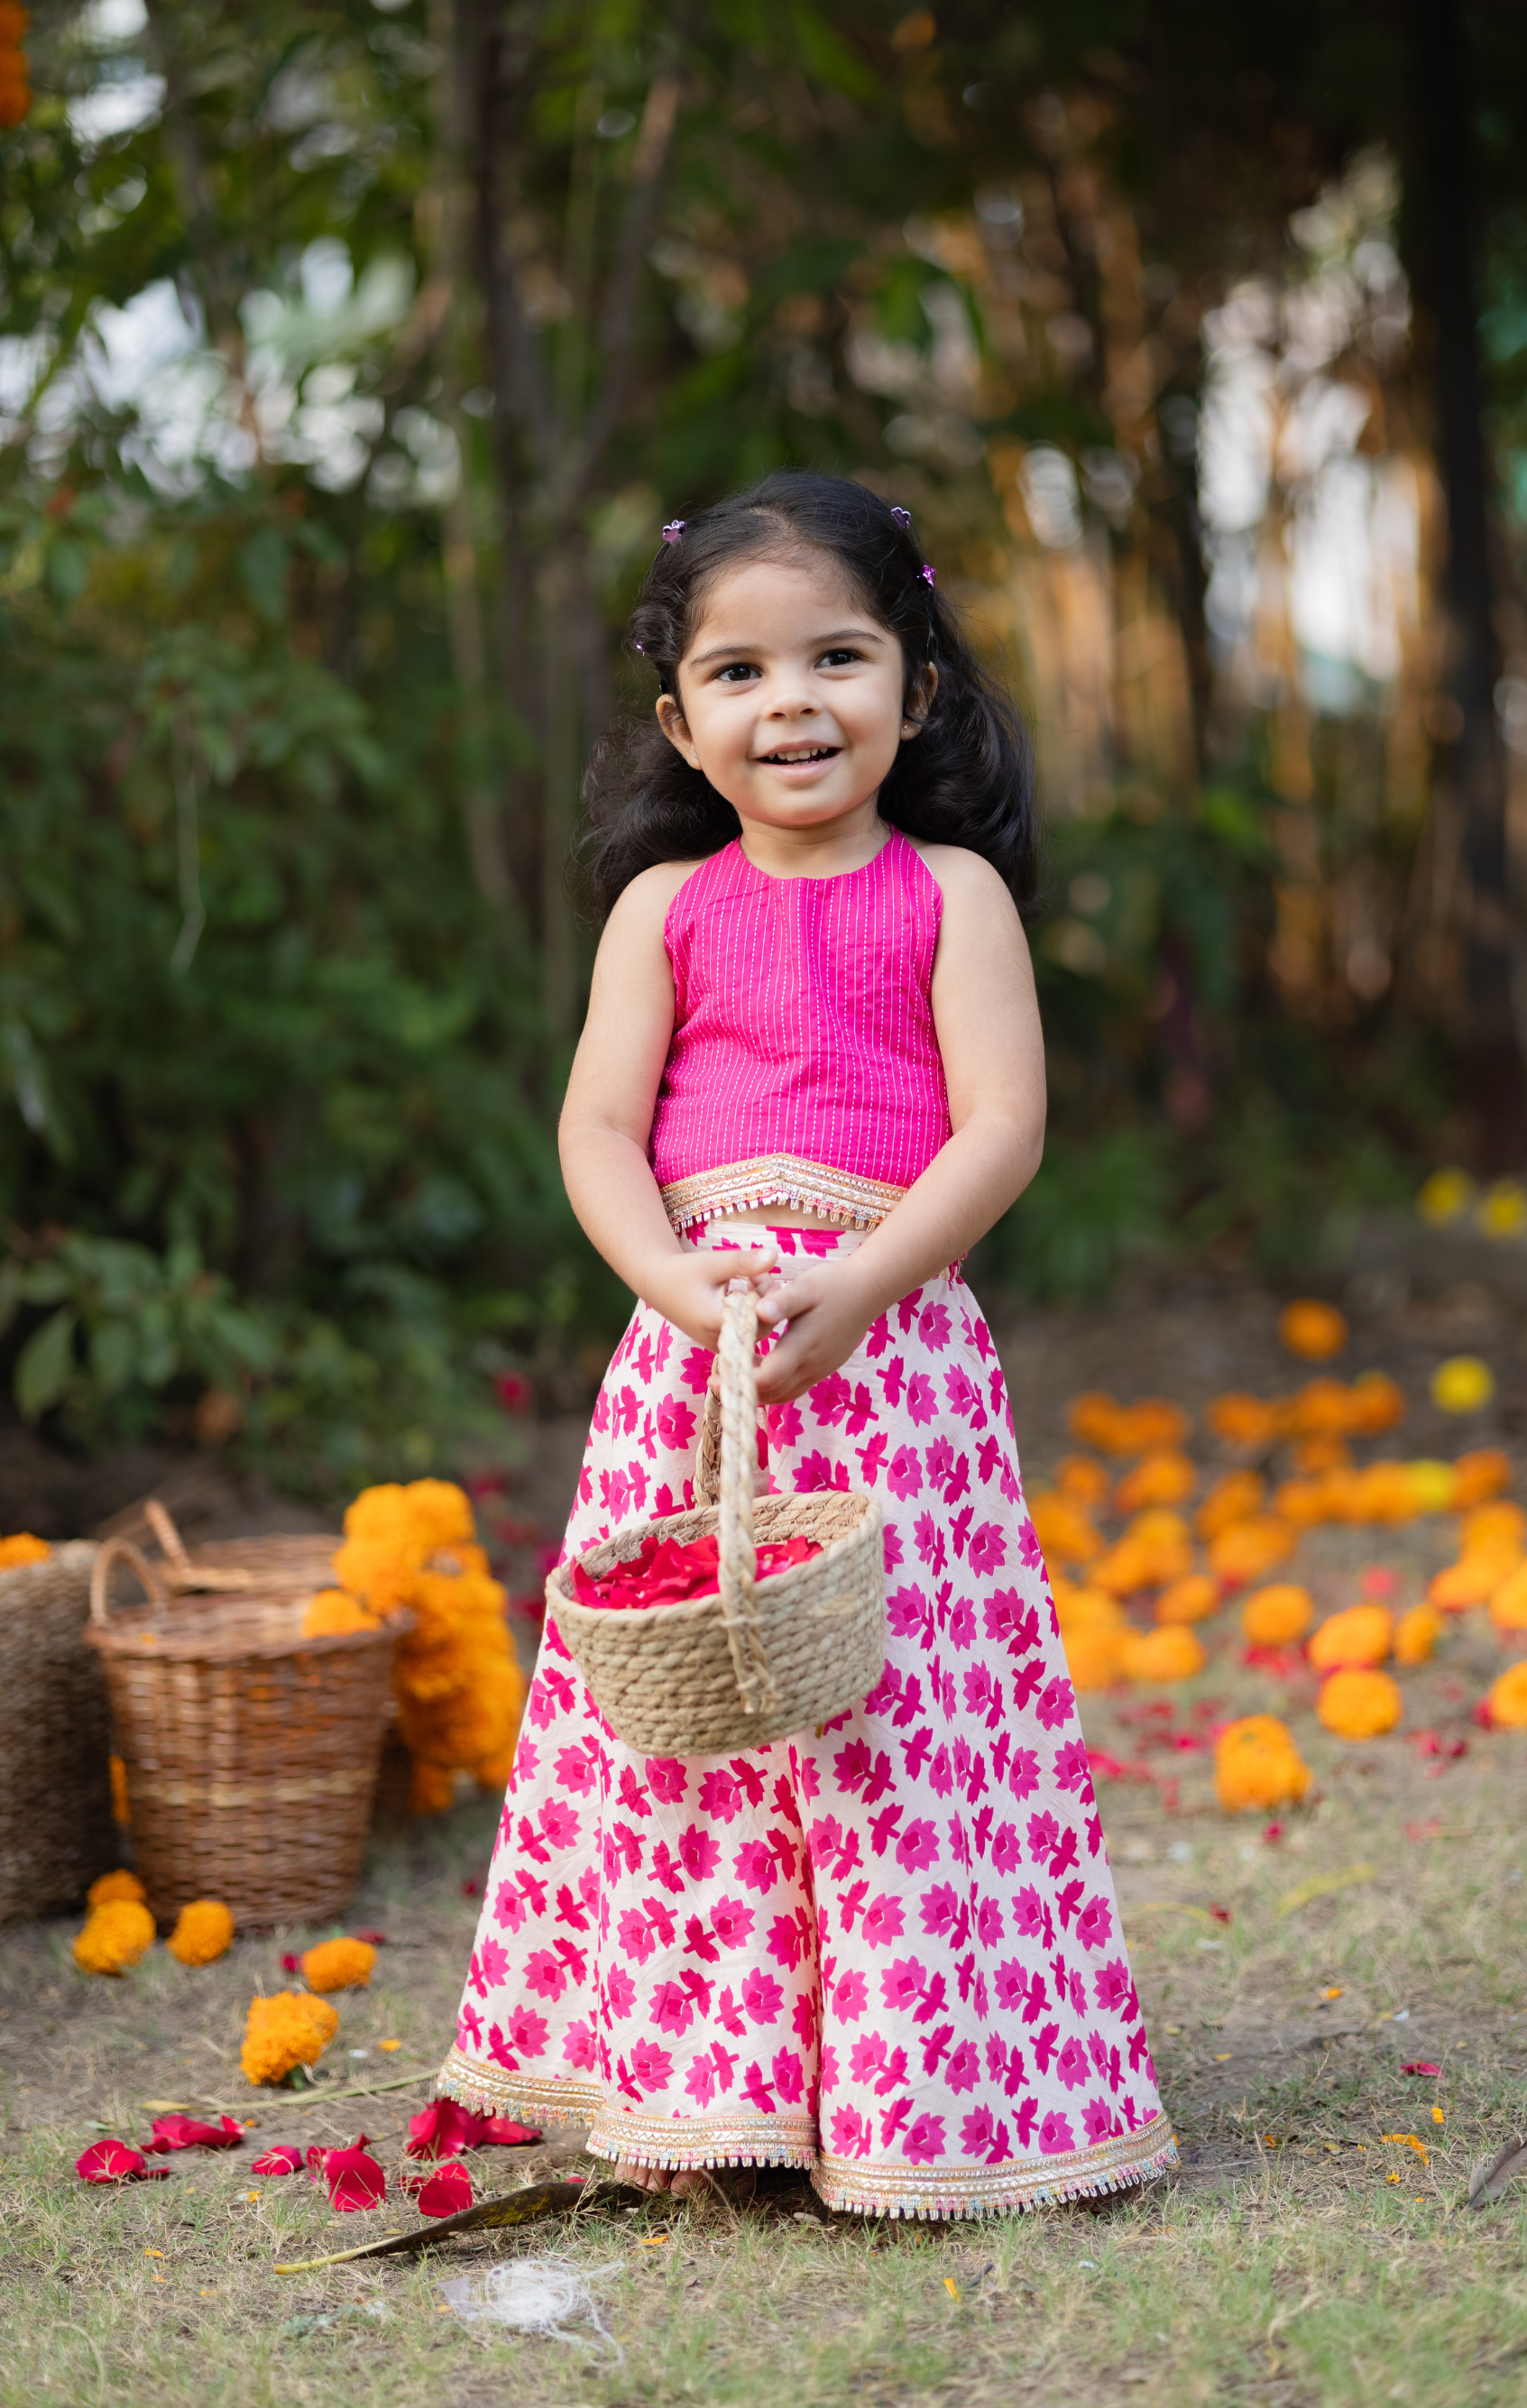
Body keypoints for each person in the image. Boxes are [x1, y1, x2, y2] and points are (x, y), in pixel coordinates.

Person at [436, 472, 1173, 2219]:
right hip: (698, 1368)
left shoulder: (946, 899)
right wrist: (685, 1292)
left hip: (888, 1353)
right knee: (697, 1718)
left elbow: (997, 1127)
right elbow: (597, 1135)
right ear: (680, 721)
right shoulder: (664, 914)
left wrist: (866, 1289)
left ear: (912, 690)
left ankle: (907, 2094)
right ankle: (717, 2098)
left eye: (835, 658)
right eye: (741, 674)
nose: (791, 705)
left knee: (886, 1720)